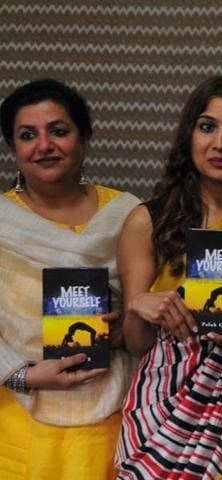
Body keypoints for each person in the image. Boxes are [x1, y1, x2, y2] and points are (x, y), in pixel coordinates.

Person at [116, 76, 222, 479]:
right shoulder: (149, 221)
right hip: (166, 414)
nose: (221, 143)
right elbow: (139, 344)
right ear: (189, 136)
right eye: (207, 126)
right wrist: (139, 307)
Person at [0, 79, 140, 479]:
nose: (44, 145)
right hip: (19, 413)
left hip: (110, 414)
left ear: (85, 137)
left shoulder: (128, 215)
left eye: (58, 131)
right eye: (28, 135)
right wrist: (24, 375)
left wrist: (124, 331)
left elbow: (150, 305)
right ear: (13, 147)